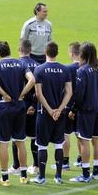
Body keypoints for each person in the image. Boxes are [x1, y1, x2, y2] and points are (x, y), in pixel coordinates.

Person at [0, 41, 35, 186]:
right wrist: (21, 93)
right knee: (20, 141)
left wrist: (3, 93)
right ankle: (23, 176)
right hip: (20, 106)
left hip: (4, 107)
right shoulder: (20, 63)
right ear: (10, 50)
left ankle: (5, 178)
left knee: (4, 143)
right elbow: (32, 80)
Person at [30, 42, 72, 185]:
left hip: (44, 113)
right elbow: (69, 92)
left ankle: (41, 177)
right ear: (57, 53)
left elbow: (38, 94)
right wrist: (59, 110)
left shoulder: (39, 69)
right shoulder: (65, 69)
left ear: (44, 52)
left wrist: (50, 110)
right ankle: (58, 176)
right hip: (60, 114)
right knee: (58, 144)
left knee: (42, 145)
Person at [70, 42, 98, 182]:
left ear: (83, 54)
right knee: (95, 140)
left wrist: (73, 109)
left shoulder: (82, 70)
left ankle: (85, 175)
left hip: (85, 111)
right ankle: (96, 172)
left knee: (84, 141)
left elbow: (79, 94)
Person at [8, 40, 40, 176]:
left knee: (17, 137)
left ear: (19, 49)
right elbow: (39, 89)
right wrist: (33, 105)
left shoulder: (16, 65)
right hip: (35, 105)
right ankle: (36, 165)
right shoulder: (38, 66)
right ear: (30, 49)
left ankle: (16, 166)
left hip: (19, 105)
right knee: (34, 137)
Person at [63, 42, 81, 168]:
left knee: (66, 134)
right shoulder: (87, 68)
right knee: (79, 134)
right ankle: (81, 160)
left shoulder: (68, 69)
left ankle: (65, 162)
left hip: (69, 106)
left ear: (72, 53)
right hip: (81, 106)